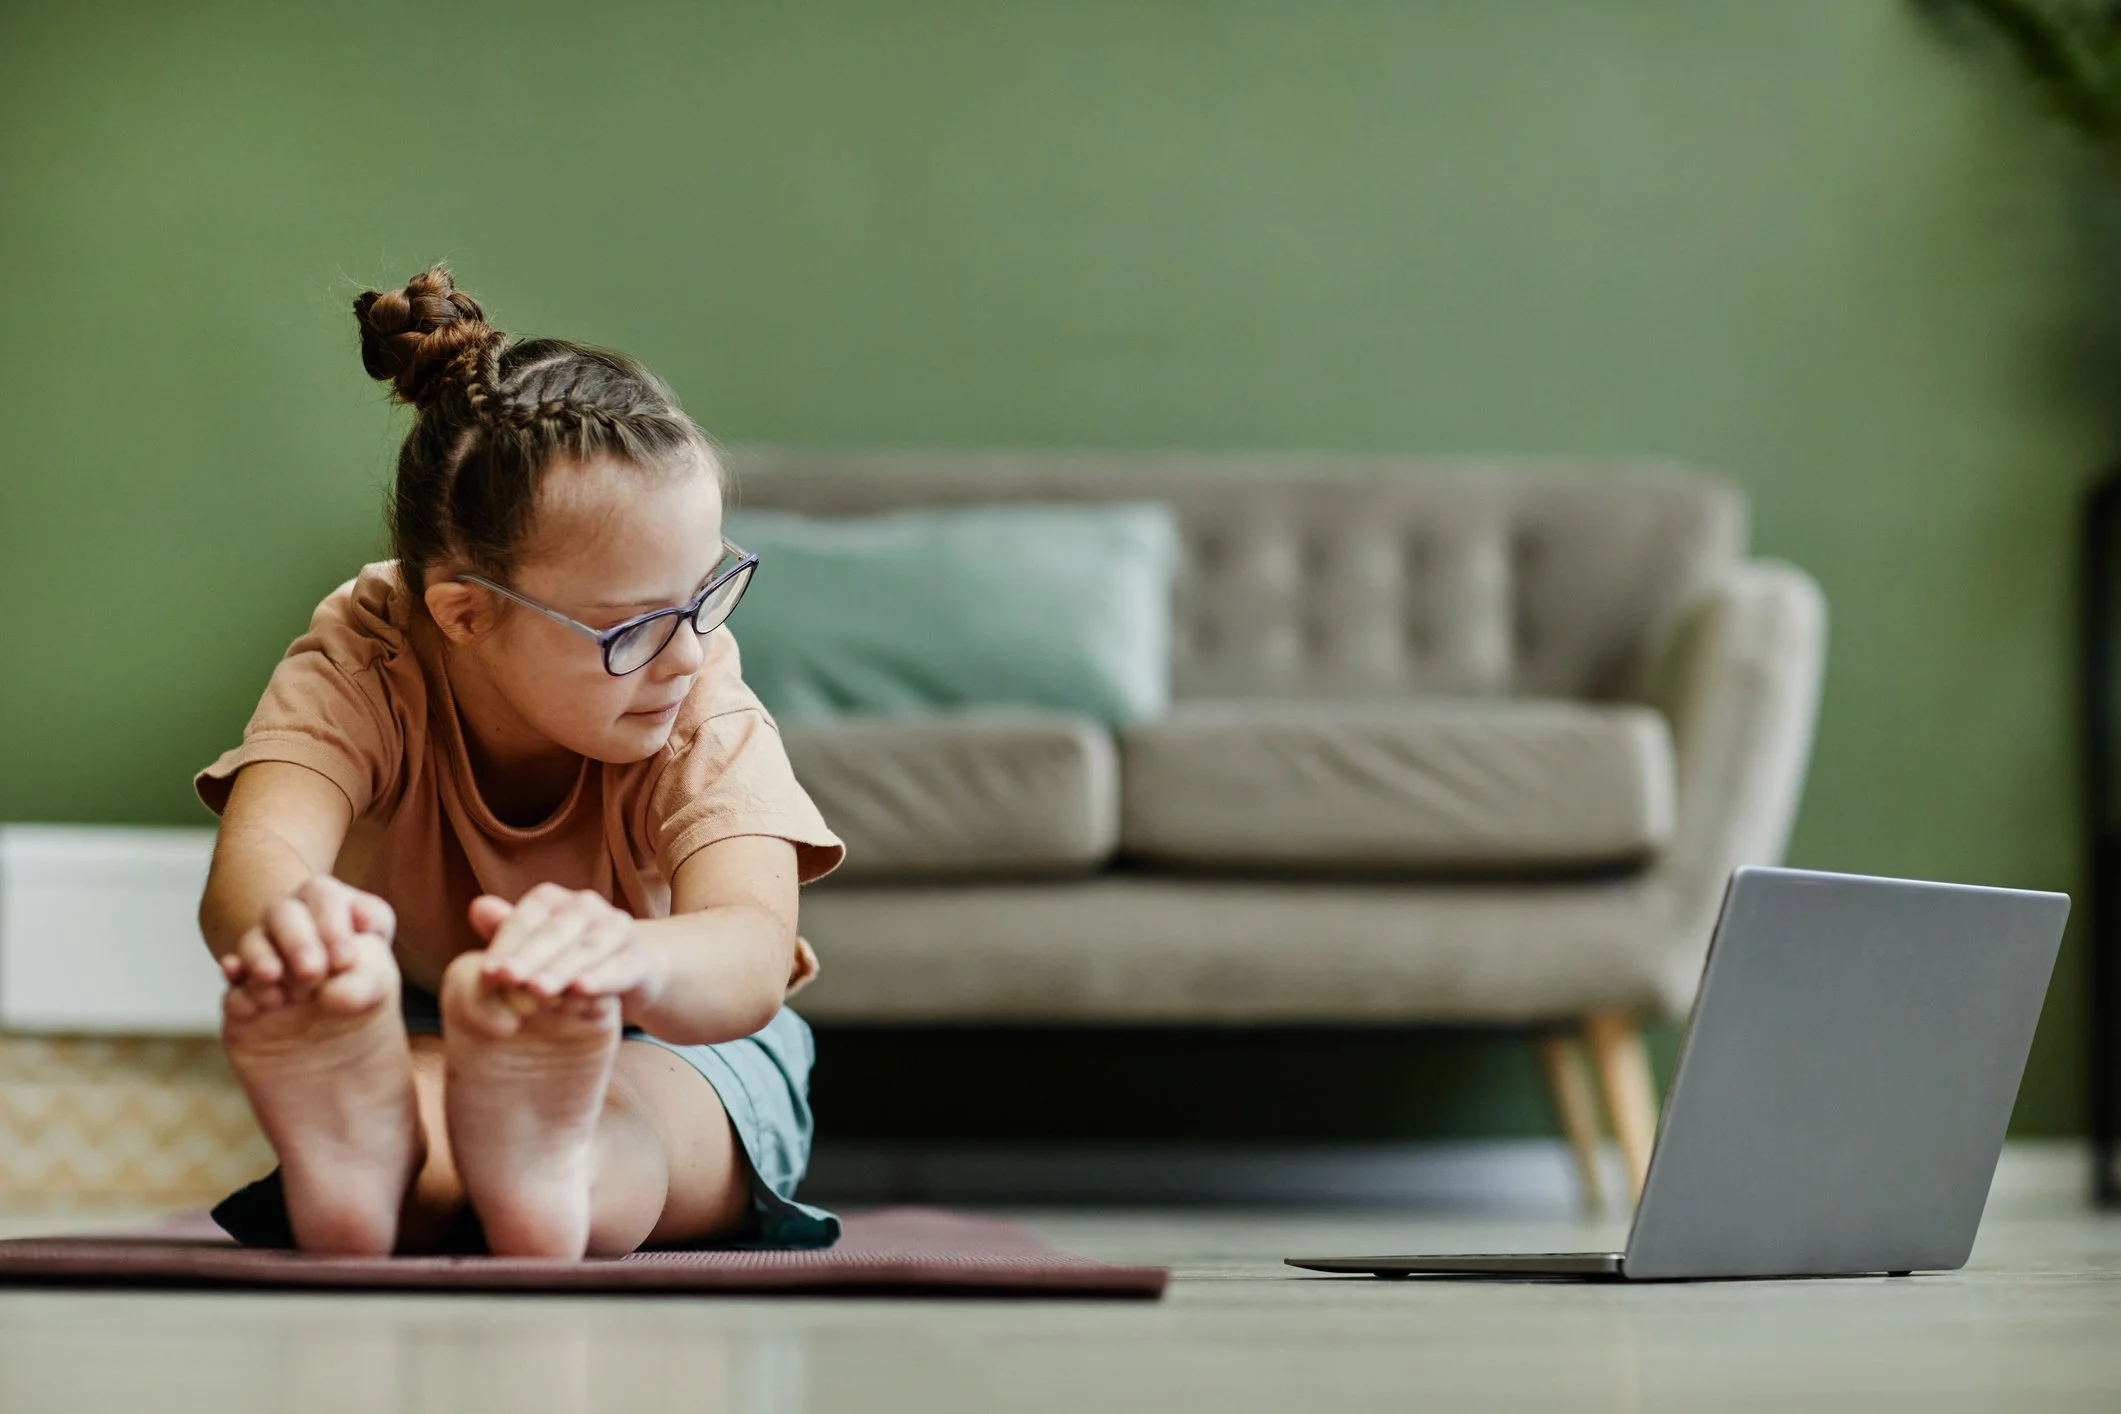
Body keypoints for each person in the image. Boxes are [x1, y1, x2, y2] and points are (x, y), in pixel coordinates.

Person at [193, 266, 845, 1260]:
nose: (686, 651)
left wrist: (629, 961)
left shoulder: (697, 688)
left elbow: (752, 949)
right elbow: (256, 863)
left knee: (636, 1115)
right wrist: (304, 937)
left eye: (707, 591)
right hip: (436, 1019)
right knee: (420, 1093)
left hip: (671, 1028)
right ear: (463, 613)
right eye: (628, 626)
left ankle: (555, 1167)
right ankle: (379, 1160)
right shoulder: (369, 655)